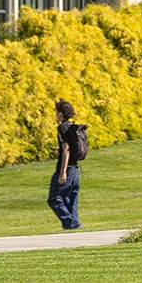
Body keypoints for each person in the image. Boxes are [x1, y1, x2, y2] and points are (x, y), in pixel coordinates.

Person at [46, 98, 90, 232]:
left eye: (56, 112)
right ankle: (72, 226)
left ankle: (72, 222)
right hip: (75, 169)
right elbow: (69, 147)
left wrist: (62, 172)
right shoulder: (73, 126)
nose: (56, 115)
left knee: (54, 199)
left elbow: (66, 149)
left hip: (67, 169)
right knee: (71, 197)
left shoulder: (63, 127)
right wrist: (59, 150)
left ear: (61, 114)